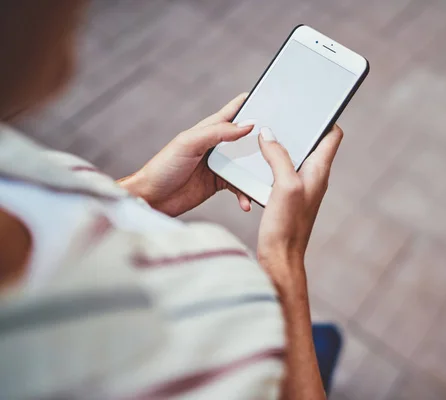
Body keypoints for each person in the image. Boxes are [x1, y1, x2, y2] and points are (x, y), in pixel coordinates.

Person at [0, 1, 343, 399]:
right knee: (326, 342)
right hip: (267, 345)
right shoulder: (203, 336)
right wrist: (283, 259)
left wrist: (141, 192)